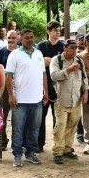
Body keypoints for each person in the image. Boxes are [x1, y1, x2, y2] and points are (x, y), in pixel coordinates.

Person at [6, 29, 48, 167]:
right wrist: (11, 95)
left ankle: (30, 153)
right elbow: (8, 76)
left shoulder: (39, 53)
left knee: (35, 128)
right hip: (20, 100)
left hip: (37, 100)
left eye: (31, 37)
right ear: (20, 39)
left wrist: (45, 92)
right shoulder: (14, 55)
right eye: (26, 38)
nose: (30, 40)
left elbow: (43, 74)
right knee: (18, 129)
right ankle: (17, 155)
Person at [49, 40, 88, 164]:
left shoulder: (79, 60)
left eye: (76, 48)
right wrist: (69, 70)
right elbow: (54, 76)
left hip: (76, 100)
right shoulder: (57, 60)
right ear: (64, 48)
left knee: (72, 126)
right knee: (60, 126)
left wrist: (85, 92)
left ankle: (67, 149)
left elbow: (84, 78)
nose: (74, 50)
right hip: (61, 100)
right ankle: (58, 152)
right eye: (71, 48)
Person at [37, 21, 64, 153]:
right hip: (43, 86)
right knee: (40, 117)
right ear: (48, 31)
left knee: (58, 118)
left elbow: (63, 64)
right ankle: (39, 143)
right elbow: (38, 63)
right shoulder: (41, 46)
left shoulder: (63, 46)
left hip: (59, 87)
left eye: (59, 30)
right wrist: (52, 61)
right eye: (55, 30)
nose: (58, 32)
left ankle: (58, 145)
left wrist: (50, 60)